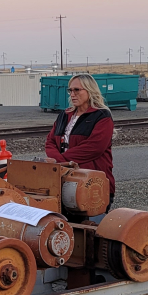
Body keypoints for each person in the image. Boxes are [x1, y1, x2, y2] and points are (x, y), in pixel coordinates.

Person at [44, 74, 115, 218]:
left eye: (77, 90)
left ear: (90, 90)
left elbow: (94, 147)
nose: (72, 94)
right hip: (65, 182)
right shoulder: (65, 115)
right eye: (70, 90)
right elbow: (50, 141)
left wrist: (60, 161)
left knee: (91, 229)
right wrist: (60, 162)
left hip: (92, 183)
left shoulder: (102, 116)